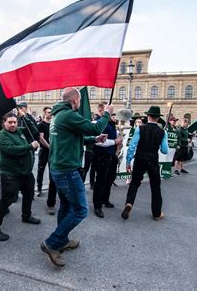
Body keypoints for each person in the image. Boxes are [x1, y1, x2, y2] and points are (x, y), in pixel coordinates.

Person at [41, 88, 112, 267]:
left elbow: (73, 138)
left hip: (59, 168)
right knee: (81, 210)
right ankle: (52, 243)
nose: (80, 104)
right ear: (74, 100)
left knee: (65, 205)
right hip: (67, 170)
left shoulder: (59, 115)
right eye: (79, 101)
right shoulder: (68, 115)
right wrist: (106, 114)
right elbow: (95, 125)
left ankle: (62, 240)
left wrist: (94, 139)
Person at [0, 112, 41, 242]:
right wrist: (30, 146)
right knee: (6, 200)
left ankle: (26, 215)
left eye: (14, 122)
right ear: (4, 123)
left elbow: (34, 131)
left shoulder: (20, 131)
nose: (12, 125)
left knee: (29, 195)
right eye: (9, 122)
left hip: (25, 172)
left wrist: (24, 117)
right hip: (10, 174)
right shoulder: (2, 135)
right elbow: (11, 150)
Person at [121, 106, 169, 221]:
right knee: (155, 187)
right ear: (158, 118)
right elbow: (165, 150)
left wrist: (128, 162)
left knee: (134, 183)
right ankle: (157, 213)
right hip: (153, 160)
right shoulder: (162, 132)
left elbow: (132, 147)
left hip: (140, 159)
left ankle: (129, 203)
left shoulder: (139, 129)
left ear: (148, 116)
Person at [92, 113, 122, 218]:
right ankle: (97, 206)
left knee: (110, 179)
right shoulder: (101, 124)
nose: (114, 117)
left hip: (111, 156)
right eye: (112, 115)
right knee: (101, 181)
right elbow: (100, 142)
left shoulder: (111, 125)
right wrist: (115, 141)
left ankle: (105, 199)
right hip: (102, 156)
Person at [36, 107, 58, 216]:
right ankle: (39, 188)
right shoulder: (41, 125)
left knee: (52, 172)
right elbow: (41, 138)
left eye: (51, 112)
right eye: (49, 112)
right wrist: (50, 147)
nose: (51, 114)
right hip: (44, 151)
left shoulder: (53, 124)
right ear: (44, 113)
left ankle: (51, 191)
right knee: (41, 170)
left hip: (52, 152)